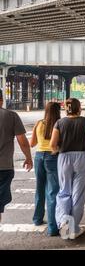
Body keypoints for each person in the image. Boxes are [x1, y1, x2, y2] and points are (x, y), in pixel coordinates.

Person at [50, 98, 85, 240]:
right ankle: (73, 229)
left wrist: (61, 149)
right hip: (83, 157)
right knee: (79, 194)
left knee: (64, 191)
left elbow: (53, 144)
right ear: (79, 108)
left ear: (66, 109)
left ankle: (64, 224)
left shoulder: (59, 123)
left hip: (64, 157)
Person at [0, 89, 33, 223]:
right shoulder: (11, 116)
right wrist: (28, 158)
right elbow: (22, 141)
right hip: (4, 168)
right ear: (2, 100)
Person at [29, 102, 61, 236]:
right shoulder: (59, 124)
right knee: (53, 191)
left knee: (40, 188)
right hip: (53, 157)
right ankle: (53, 228)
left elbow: (32, 143)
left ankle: (37, 219)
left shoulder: (39, 123)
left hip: (38, 157)